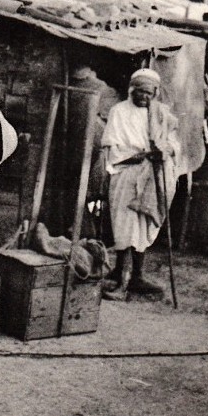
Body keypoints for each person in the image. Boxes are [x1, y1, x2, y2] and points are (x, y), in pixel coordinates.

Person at [100, 68, 180, 301]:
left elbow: (175, 144)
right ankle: (121, 275)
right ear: (131, 90)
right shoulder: (119, 112)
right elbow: (110, 145)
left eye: (148, 93)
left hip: (153, 177)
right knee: (125, 225)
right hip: (126, 174)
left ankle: (136, 276)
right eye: (139, 92)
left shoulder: (162, 114)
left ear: (155, 93)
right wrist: (134, 156)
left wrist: (163, 151)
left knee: (143, 225)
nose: (144, 97)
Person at [66, 62, 121, 237]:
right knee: (81, 191)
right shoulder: (102, 90)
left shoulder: (102, 90)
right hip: (84, 147)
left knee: (83, 190)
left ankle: (85, 230)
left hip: (86, 148)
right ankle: (82, 230)